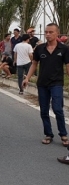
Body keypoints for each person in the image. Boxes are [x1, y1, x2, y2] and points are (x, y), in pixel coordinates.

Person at [22, 23, 69, 164]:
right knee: (43, 111)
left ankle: (63, 134)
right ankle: (48, 134)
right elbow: (34, 64)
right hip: (42, 84)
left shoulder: (64, 49)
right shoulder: (40, 48)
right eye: (46, 32)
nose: (48, 34)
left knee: (58, 109)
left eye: (51, 32)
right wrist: (27, 78)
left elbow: (68, 67)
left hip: (57, 83)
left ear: (57, 34)